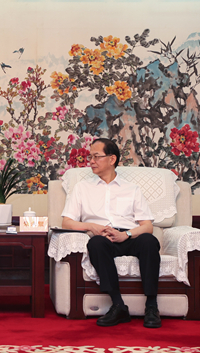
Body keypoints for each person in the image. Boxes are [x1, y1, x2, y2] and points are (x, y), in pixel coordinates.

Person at [60, 138, 162, 328]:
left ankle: (151, 306)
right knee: (95, 244)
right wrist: (92, 227)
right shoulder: (82, 188)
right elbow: (66, 222)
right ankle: (118, 305)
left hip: (129, 237)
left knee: (149, 240)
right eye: (90, 157)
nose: (91, 161)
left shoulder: (131, 189)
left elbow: (147, 226)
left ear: (112, 159)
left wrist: (126, 234)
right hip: (103, 239)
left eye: (96, 156)